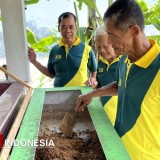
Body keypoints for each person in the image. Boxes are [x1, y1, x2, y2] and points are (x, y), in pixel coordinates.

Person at [75, 0, 160, 159]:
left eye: (112, 36)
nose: (109, 43)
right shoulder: (124, 59)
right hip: (118, 150)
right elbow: (123, 86)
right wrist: (93, 94)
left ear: (134, 31)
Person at [28, 12, 97, 87]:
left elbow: (94, 70)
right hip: (59, 94)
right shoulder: (54, 50)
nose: (67, 31)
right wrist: (34, 61)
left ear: (76, 28)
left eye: (71, 27)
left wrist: (92, 79)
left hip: (81, 95)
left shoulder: (87, 49)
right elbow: (51, 74)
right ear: (59, 29)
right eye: (63, 27)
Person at [85, 25, 121, 125]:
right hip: (105, 114)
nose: (102, 51)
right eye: (98, 47)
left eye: (105, 46)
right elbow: (100, 85)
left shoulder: (125, 61)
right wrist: (94, 83)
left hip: (121, 117)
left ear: (113, 41)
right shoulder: (100, 62)